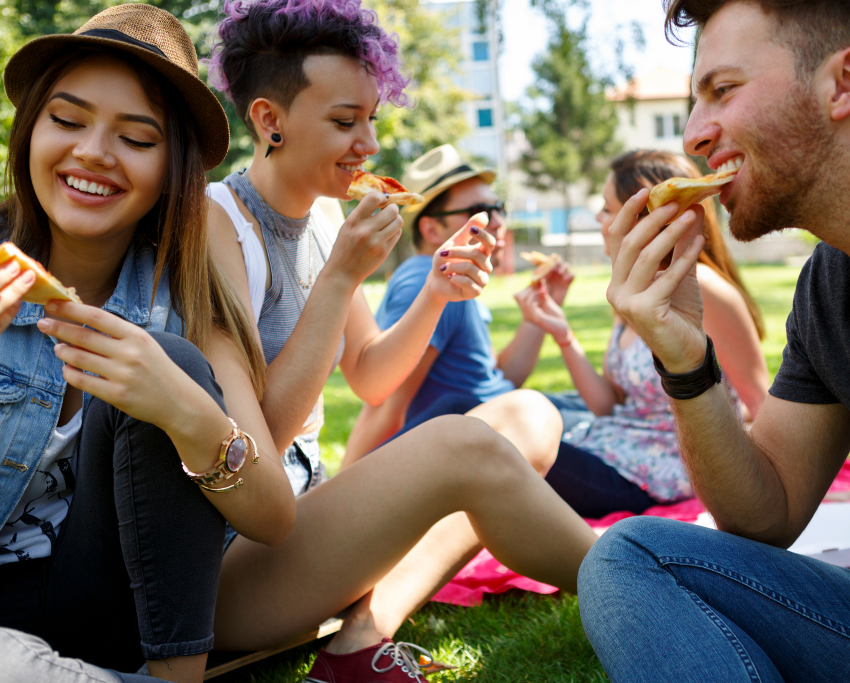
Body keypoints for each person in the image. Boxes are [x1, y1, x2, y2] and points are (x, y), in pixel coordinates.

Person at [579, 0, 850, 681]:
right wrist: (685, 355)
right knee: (630, 557)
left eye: (722, 90)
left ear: (846, 82)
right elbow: (765, 513)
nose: (693, 135)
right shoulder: (832, 290)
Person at [204, 2, 598, 681]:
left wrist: (436, 293)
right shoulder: (218, 222)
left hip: (306, 522)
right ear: (270, 121)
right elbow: (251, 443)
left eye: (370, 120)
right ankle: (649, 585)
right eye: (342, 121)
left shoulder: (327, 216)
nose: (368, 144)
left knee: (528, 414)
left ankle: (362, 635)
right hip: (235, 560)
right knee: (465, 445)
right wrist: (337, 281)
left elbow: (369, 375)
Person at [0, 5, 297, 682]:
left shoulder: (189, 295)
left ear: (171, 166)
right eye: (67, 120)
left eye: (136, 137)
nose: (93, 152)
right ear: (31, 129)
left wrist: (186, 412)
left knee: (177, 365)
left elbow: (274, 514)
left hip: (105, 604)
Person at [517, 150, 768, 518]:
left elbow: (760, 403)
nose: (600, 220)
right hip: (612, 446)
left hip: (660, 475)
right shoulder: (633, 286)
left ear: (642, 217)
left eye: (606, 209)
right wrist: (563, 335)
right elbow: (608, 405)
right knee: (505, 422)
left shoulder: (704, 291)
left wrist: (800, 500)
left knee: (501, 442)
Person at [341, 143, 576, 463]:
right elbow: (386, 406)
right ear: (432, 228)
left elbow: (494, 378)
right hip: (490, 445)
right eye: (480, 211)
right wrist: (347, 494)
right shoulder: (429, 281)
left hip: (499, 426)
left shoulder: (451, 280)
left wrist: (537, 316)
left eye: (499, 207)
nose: (497, 221)